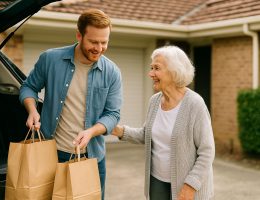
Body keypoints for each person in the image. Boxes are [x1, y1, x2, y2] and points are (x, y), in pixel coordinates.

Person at [19, 9, 122, 200]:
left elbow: (113, 114)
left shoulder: (112, 72)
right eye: (93, 42)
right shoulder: (50, 59)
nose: (99, 48)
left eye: (104, 42)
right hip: (51, 156)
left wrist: (91, 132)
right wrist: (32, 110)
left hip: (91, 159)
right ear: (79, 35)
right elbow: (28, 88)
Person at [112, 45, 215, 200]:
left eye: (156, 68)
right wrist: (116, 130)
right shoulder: (155, 101)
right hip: (157, 181)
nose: (150, 73)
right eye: (151, 67)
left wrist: (191, 185)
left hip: (186, 186)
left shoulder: (195, 104)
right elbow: (146, 134)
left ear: (174, 71)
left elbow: (207, 151)